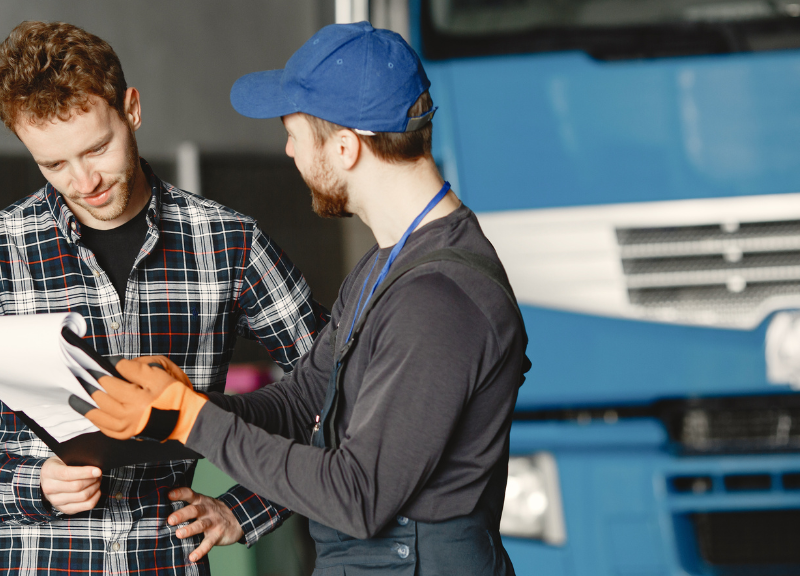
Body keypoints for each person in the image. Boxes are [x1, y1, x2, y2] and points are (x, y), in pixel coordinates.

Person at [81, 22, 531, 575]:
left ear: (345, 147)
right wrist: (183, 401)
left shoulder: (438, 302)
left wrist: (191, 421)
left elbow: (357, 496)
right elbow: (301, 407)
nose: (289, 150)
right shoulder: (385, 266)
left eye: (295, 132)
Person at [0, 20, 330, 575]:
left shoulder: (228, 243)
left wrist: (245, 512)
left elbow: (338, 393)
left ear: (131, 109)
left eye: (97, 148)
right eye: (54, 164)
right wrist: (32, 483)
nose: (84, 180)